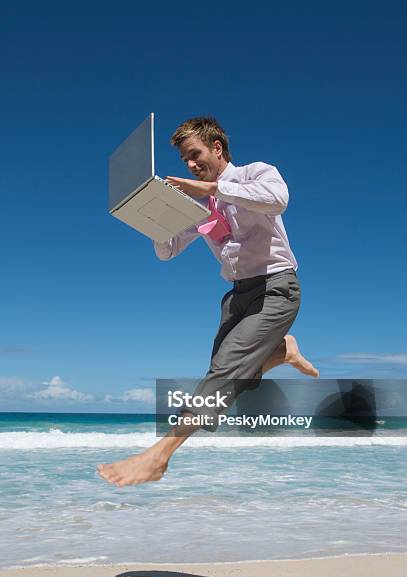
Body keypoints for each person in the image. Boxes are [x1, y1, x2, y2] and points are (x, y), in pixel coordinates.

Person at [98, 116, 319, 487]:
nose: (189, 164)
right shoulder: (196, 204)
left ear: (216, 148)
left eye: (194, 154)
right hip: (237, 296)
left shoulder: (254, 173)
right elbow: (167, 251)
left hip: (276, 288)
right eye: (184, 159)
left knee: (224, 372)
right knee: (236, 379)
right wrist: (152, 216)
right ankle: (281, 351)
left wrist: (215, 188)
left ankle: (159, 456)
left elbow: (277, 200)